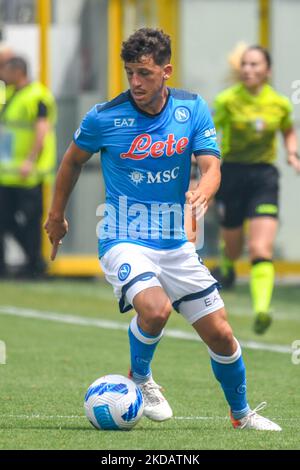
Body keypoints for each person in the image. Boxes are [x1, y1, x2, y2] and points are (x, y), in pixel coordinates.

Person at [45, 28, 281, 430]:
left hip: (175, 242)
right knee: (155, 309)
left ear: (166, 71)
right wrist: (56, 215)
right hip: (123, 236)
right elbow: (71, 161)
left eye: (145, 73)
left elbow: (211, 166)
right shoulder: (104, 116)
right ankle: (141, 379)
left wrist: (203, 192)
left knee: (222, 334)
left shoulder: (192, 108)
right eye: (129, 72)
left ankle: (241, 415)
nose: (135, 82)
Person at [212, 45, 300, 334]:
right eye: (245, 64)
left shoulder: (279, 103)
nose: (248, 69)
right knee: (235, 248)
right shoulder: (227, 101)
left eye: (255, 64)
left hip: (263, 177)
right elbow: (210, 131)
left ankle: (262, 309)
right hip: (232, 174)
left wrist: (291, 153)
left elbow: (287, 128)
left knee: (261, 248)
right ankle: (227, 264)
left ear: (267, 70)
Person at [0, 56, 57, 278]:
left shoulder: (37, 96)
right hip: (7, 173)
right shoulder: (11, 94)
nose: (3, 75)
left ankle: (35, 265)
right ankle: (15, 266)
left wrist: (30, 160)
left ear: (18, 72)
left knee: (30, 223)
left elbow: (41, 130)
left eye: (6, 71)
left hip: (29, 174)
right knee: (5, 221)